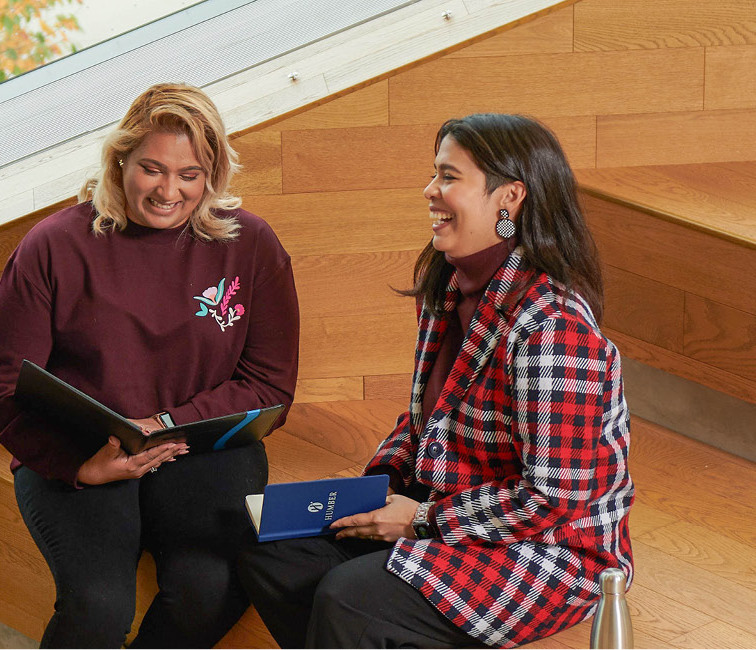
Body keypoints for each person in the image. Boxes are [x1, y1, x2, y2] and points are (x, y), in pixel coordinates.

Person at [236, 113, 634, 649]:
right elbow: (425, 419)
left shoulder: (552, 330)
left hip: (550, 549)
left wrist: (420, 519)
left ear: (508, 198)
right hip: (442, 510)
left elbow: (549, 501)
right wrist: (373, 491)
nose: (430, 190)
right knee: (268, 546)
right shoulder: (449, 288)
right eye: (434, 174)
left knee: (348, 598)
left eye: (449, 177)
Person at [0, 82, 300, 648]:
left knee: (212, 584)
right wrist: (78, 465)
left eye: (190, 175)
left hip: (201, 447)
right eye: (152, 168)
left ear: (213, 175)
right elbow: (3, 387)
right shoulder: (52, 245)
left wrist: (168, 424)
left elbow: (270, 384)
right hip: (83, 449)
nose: (169, 191)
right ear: (120, 159)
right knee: (97, 607)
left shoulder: (251, 242)